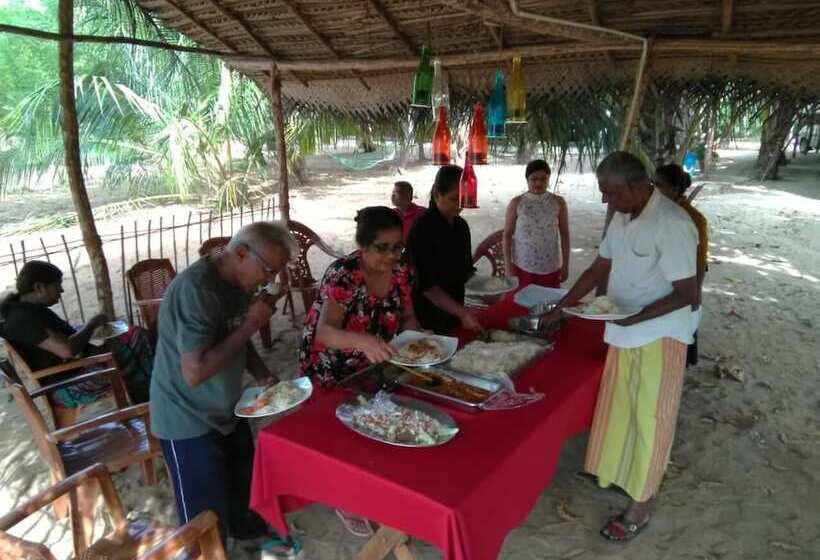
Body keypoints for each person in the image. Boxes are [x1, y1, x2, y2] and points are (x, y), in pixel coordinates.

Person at [547, 152, 698, 541]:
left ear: (636, 185)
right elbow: (601, 267)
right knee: (621, 408)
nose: (605, 202)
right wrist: (562, 306)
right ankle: (618, 475)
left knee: (651, 418)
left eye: (610, 193)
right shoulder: (622, 216)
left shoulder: (673, 223)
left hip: (660, 334)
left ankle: (640, 506)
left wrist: (638, 318)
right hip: (625, 328)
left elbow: (688, 292)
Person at [149, 221, 300, 554]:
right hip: (186, 416)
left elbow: (232, 339)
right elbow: (195, 371)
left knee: (242, 489)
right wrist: (252, 324)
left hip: (228, 408)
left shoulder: (236, 282)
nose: (269, 280)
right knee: (204, 517)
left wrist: (263, 375)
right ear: (241, 253)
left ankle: (248, 541)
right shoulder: (198, 290)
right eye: (268, 269)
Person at [0, 261, 153, 421]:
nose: (62, 290)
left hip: (72, 371)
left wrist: (87, 331)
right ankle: (149, 403)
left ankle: (145, 401)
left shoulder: (23, 312)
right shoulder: (23, 319)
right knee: (137, 337)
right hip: (67, 385)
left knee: (133, 336)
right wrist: (92, 324)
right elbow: (67, 350)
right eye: (57, 285)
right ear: (39, 287)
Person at [299, 206, 418, 386]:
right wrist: (363, 341)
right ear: (362, 245)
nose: (391, 255)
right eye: (382, 248)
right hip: (332, 369)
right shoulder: (344, 274)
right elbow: (324, 333)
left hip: (373, 367)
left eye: (397, 247)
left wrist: (419, 340)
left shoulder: (400, 270)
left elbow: (408, 316)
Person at [407, 165, 482, 334]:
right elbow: (426, 286)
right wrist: (462, 313)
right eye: (455, 199)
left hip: (456, 305)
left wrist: (494, 290)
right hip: (427, 312)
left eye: (465, 198)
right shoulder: (422, 228)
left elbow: (467, 271)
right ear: (437, 194)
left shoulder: (461, 226)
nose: (460, 205)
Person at [654, 163, 708, 367]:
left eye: (659, 185)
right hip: (663, 282)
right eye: (653, 183)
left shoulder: (693, 219)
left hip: (683, 287)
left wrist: (694, 295)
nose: (654, 190)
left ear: (675, 188)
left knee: (678, 339)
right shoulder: (659, 211)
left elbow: (699, 262)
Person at [503, 160, 570, 288]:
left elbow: (565, 235)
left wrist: (565, 265)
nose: (538, 183)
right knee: (522, 304)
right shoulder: (517, 203)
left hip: (550, 266)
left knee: (547, 305)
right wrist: (508, 266)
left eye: (543, 179)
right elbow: (507, 235)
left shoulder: (558, 203)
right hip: (523, 265)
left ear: (548, 179)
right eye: (534, 179)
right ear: (527, 180)